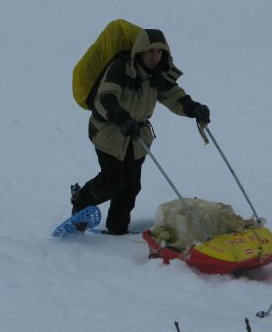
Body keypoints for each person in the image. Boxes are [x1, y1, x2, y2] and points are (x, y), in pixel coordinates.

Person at [71, 27, 210, 235]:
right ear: (140, 51)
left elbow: (173, 95)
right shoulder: (121, 68)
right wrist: (122, 118)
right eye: (150, 52)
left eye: (159, 52)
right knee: (112, 182)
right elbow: (106, 97)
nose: (154, 57)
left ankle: (117, 230)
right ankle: (81, 200)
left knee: (131, 186)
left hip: (137, 136)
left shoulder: (159, 74)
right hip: (109, 132)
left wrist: (193, 108)